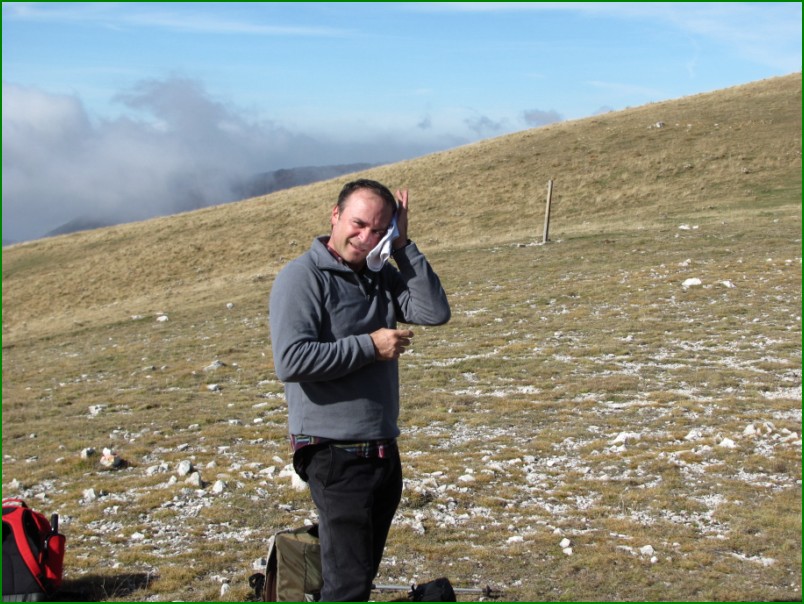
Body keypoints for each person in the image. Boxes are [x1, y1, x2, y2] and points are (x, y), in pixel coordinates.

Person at [269, 179, 451, 601]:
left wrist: (402, 246)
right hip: (335, 454)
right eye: (359, 223)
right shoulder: (302, 277)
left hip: (382, 450)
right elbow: (290, 361)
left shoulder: (379, 275)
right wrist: (370, 345)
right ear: (335, 215)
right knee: (348, 586)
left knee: (356, 576)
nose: (367, 236)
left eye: (379, 229)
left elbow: (434, 311)